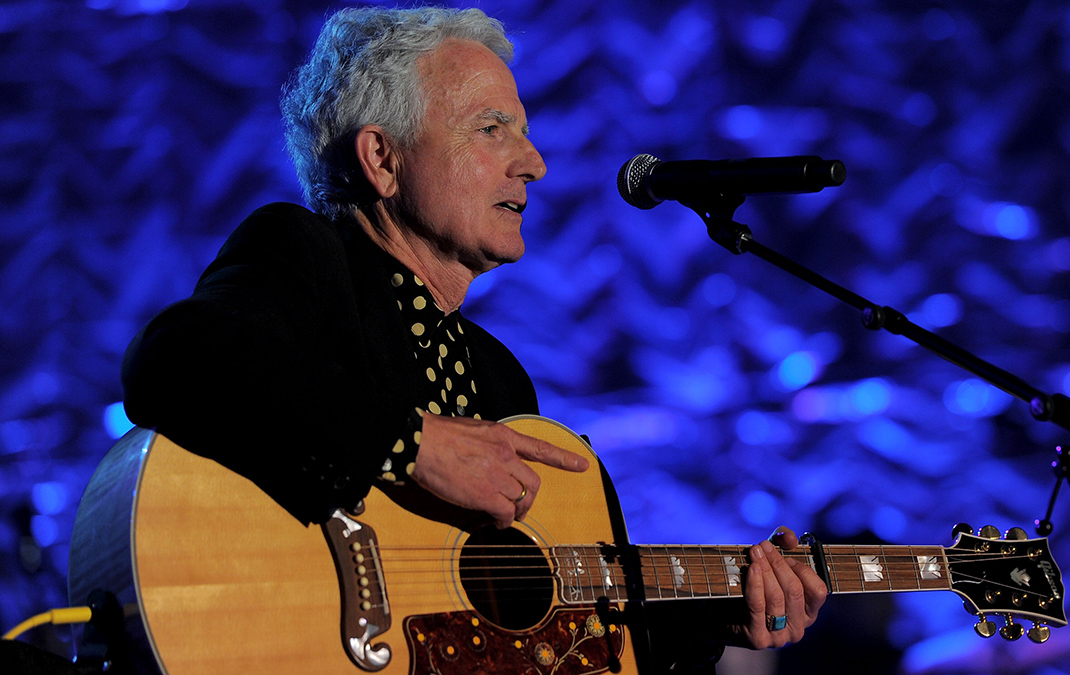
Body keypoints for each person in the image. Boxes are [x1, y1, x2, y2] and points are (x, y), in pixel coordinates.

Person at [120, 6, 826, 672]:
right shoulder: (305, 254)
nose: (534, 163)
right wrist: (410, 443)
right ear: (382, 159)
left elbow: (544, 645)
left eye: (522, 130)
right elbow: (176, 358)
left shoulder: (498, 377)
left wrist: (714, 615)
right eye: (491, 129)